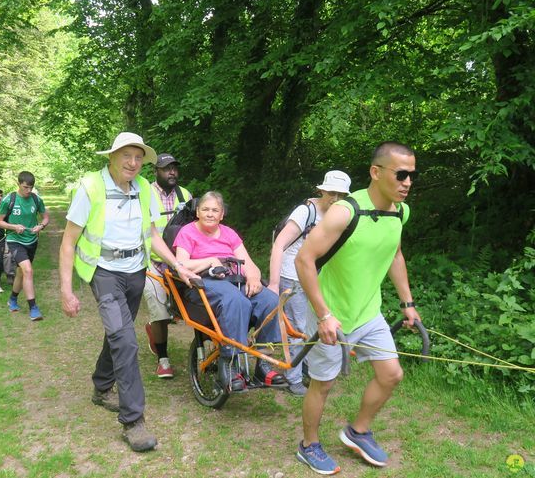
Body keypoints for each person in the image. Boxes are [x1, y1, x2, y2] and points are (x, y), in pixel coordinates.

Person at [59, 132, 198, 453]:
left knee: (117, 333)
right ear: (112, 157)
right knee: (125, 340)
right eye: (127, 156)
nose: (133, 163)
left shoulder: (145, 188)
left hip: (136, 271)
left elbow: (153, 233)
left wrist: (178, 265)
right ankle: (133, 421)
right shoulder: (90, 188)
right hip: (103, 272)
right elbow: (68, 243)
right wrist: (66, 290)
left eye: (138, 157)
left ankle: (101, 385)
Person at [294, 142, 421, 474]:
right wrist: (323, 314)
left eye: (412, 175)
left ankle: (358, 431)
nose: (408, 182)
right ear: (376, 173)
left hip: (369, 311)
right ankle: (309, 445)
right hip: (330, 311)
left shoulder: (400, 211)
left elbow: (394, 254)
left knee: (391, 374)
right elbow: (304, 260)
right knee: (323, 382)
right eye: (402, 174)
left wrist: (407, 302)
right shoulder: (345, 211)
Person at [174, 191, 288, 393]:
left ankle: (263, 364)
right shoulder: (187, 232)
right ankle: (230, 364)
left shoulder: (229, 233)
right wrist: (210, 261)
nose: (210, 214)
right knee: (237, 301)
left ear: (222, 214)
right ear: (197, 212)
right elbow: (181, 265)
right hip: (204, 281)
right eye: (206, 209)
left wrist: (253, 276)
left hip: (235, 280)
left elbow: (249, 264)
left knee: (270, 300)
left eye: (215, 210)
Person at [268, 171, 351, 396]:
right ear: (321, 190)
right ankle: (292, 378)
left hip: (315, 278)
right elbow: (279, 245)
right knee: (298, 328)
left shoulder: (341, 215)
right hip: (291, 275)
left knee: (311, 326)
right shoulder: (307, 211)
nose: (335, 198)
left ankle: (306, 368)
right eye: (331, 192)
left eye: (341, 194)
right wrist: (274, 284)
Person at [143, 153, 192, 379]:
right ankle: (163, 359)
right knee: (159, 309)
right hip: (152, 261)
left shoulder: (186, 194)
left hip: (182, 261)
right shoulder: (145, 193)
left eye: (174, 167)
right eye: (165, 168)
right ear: (156, 171)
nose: (171, 172)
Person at [0, 171, 49, 321]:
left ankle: (12, 299)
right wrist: (13, 227)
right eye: (25, 187)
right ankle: (34, 308)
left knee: (21, 272)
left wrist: (41, 226)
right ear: (18, 184)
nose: (28, 191)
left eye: (31, 187)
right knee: (28, 270)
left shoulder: (36, 199)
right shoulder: (9, 200)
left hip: (32, 240)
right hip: (15, 240)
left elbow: (45, 217)